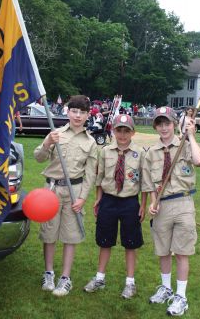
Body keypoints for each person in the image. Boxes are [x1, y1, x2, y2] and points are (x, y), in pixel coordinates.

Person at [142, 106, 200, 316]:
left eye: (167, 123)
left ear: (173, 124)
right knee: (163, 250)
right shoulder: (151, 153)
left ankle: (181, 296)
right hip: (162, 205)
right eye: (159, 123)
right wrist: (153, 202)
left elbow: (199, 160)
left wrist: (191, 136)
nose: (163, 127)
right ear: (155, 126)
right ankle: (166, 288)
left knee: (181, 251)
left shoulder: (184, 144)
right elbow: (150, 182)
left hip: (183, 204)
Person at [34, 95, 98, 297]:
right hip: (51, 191)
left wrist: (82, 198)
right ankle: (49, 273)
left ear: (88, 115)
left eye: (82, 112)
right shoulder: (56, 134)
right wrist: (46, 142)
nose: (78, 116)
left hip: (75, 192)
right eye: (74, 111)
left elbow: (90, 174)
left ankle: (65, 278)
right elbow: (38, 158)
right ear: (68, 112)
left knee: (71, 236)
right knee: (49, 233)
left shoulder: (91, 142)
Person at [84, 114, 147, 299]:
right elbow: (100, 176)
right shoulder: (105, 151)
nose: (122, 134)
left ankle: (130, 283)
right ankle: (100, 278)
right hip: (109, 200)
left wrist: (143, 205)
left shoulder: (140, 153)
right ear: (113, 130)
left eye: (126, 130)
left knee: (130, 243)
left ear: (132, 132)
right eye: (119, 130)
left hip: (129, 202)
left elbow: (145, 182)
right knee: (105, 241)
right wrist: (98, 198)